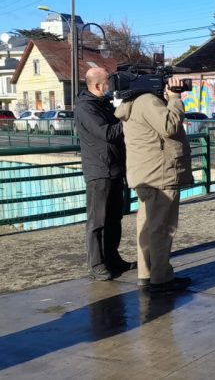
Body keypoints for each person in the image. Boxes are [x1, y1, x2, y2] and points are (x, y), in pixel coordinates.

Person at [115, 76, 194, 293]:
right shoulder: (148, 101)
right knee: (162, 228)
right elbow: (169, 126)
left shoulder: (131, 103)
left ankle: (146, 274)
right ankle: (161, 279)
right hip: (160, 174)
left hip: (145, 173)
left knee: (147, 226)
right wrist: (175, 98)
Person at [74, 67, 134, 281]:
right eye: (108, 82)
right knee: (98, 220)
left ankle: (112, 257)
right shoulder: (86, 107)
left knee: (114, 218)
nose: (111, 85)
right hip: (99, 170)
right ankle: (97, 264)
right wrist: (129, 119)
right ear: (98, 86)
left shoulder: (101, 104)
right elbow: (107, 133)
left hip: (114, 168)